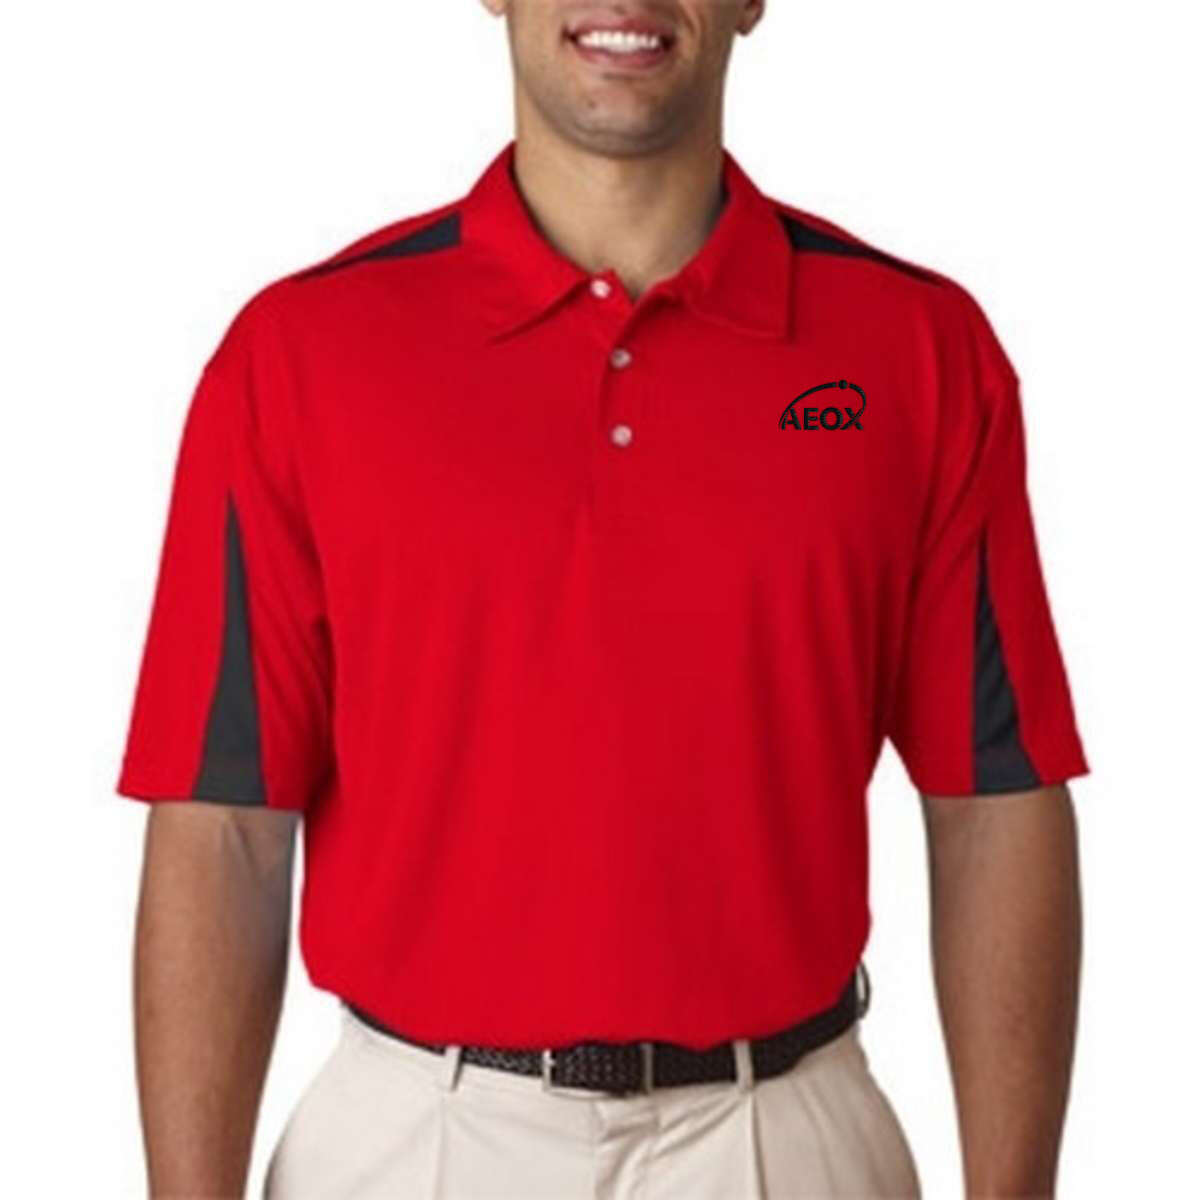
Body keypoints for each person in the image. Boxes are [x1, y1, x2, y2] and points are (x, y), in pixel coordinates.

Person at [117, 2, 1089, 1196]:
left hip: (782, 1138)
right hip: (415, 1142)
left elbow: (994, 805)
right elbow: (222, 829)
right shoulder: (297, 355)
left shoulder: (915, 352)